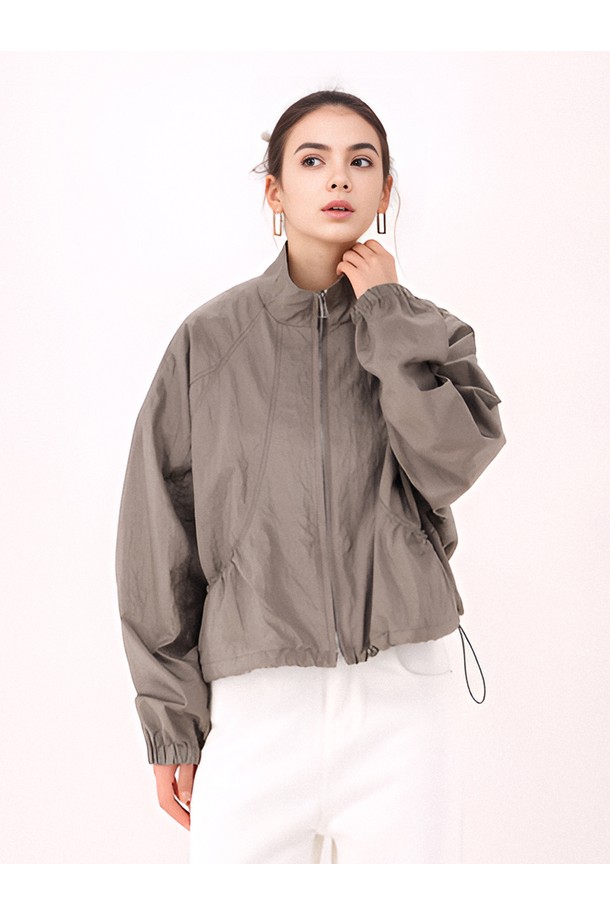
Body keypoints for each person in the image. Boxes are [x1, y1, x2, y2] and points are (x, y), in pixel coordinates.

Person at [115, 89, 506, 864]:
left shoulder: (427, 331)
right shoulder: (209, 341)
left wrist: (387, 313)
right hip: (256, 699)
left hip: (404, 697)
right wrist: (171, 722)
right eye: (312, 159)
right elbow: (158, 533)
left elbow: (451, 460)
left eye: (361, 161)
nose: (338, 178)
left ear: (385, 192)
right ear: (275, 191)